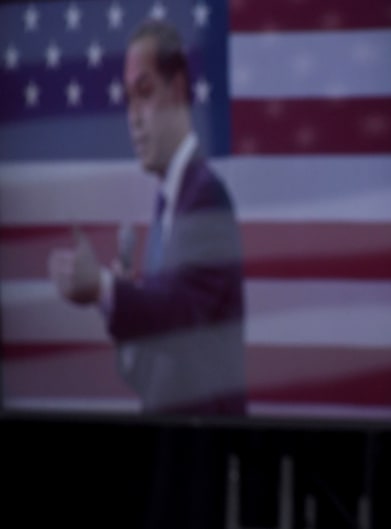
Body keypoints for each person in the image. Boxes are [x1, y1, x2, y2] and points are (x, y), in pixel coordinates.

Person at [48, 19, 246, 416]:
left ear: (176, 92)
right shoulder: (169, 202)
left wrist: (103, 289)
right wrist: (122, 301)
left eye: (145, 92)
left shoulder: (206, 194)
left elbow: (181, 314)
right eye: (128, 99)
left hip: (206, 455)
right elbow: (157, 371)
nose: (133, 117)